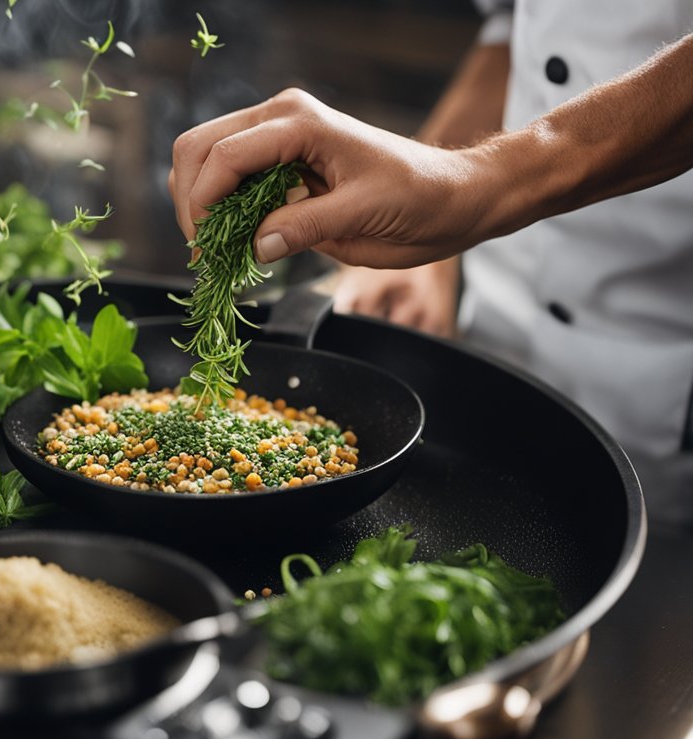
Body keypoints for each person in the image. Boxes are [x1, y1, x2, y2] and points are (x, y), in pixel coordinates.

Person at [167, 25, 693, 524]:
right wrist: (437, 236)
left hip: (662, 351)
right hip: (495, 323)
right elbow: (512, 35)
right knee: (498, 493)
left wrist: (478, 182)